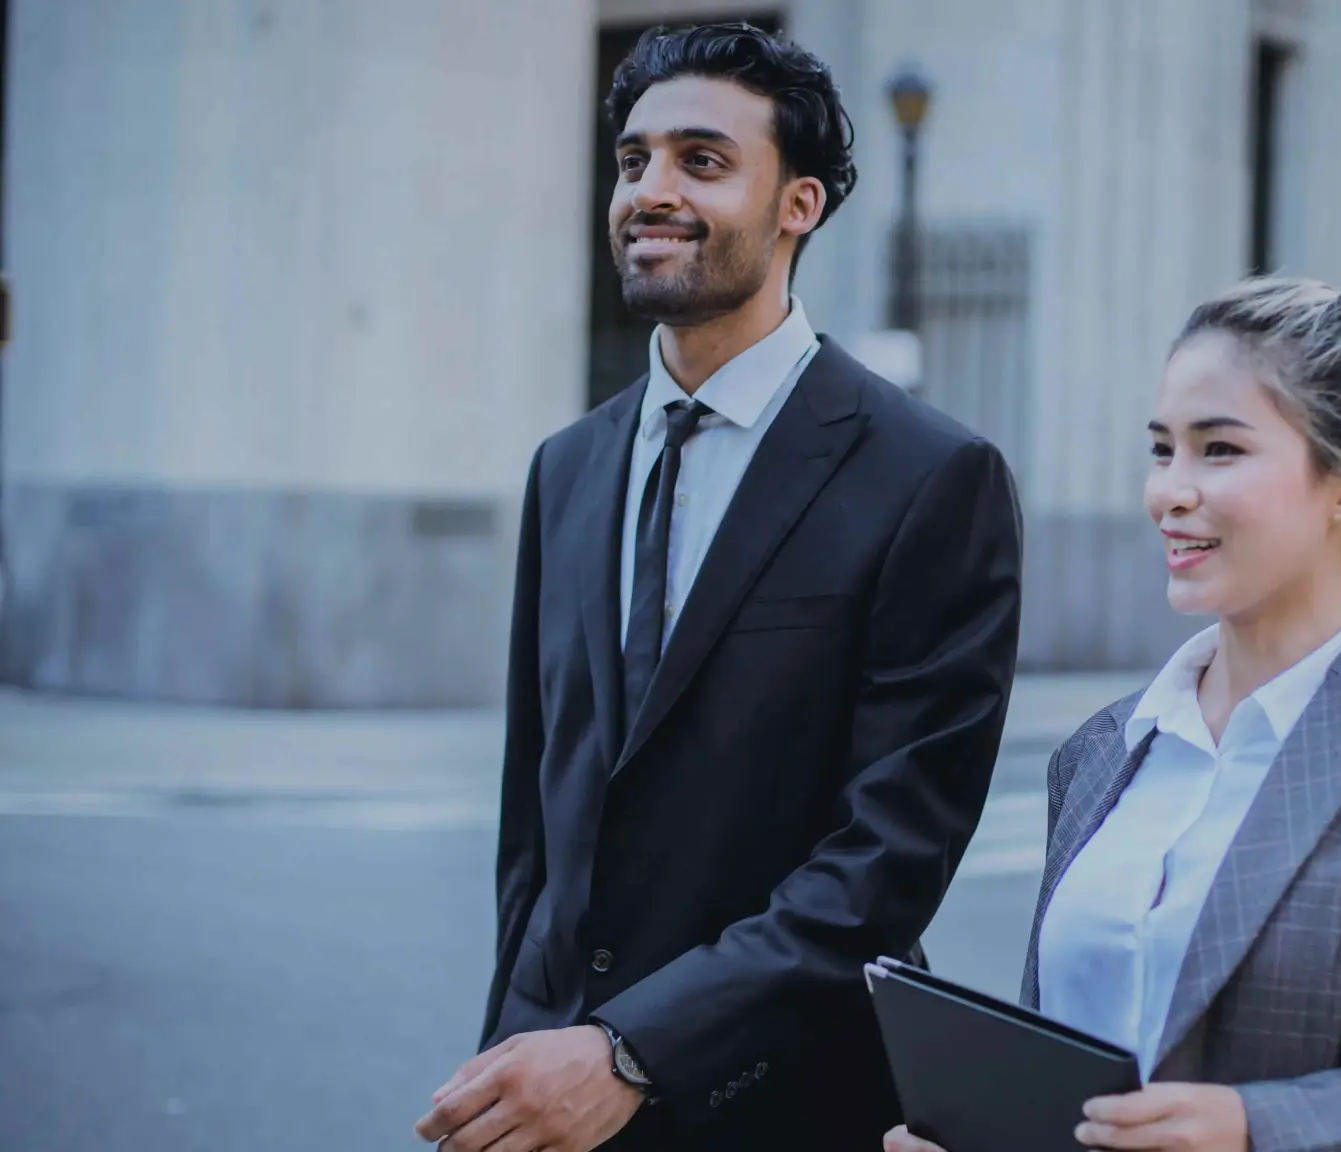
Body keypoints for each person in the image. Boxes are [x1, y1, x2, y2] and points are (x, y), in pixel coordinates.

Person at [413, 22, 1024, 1152]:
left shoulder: (930, 476)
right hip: (545, 1089)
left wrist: (636, 1051)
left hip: (778, 1098)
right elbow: (537, 825)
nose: (649, 190)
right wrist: (518, 1039)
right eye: (633, 158)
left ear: (797, 205)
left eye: (700, 160)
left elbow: (884, 862)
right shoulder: (569, 466)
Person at [887, 278, 1341, 1151]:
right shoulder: (1101, 753)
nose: (1171, 492)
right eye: (1162, 449)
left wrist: (1255, 1126)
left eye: (1219, 450)